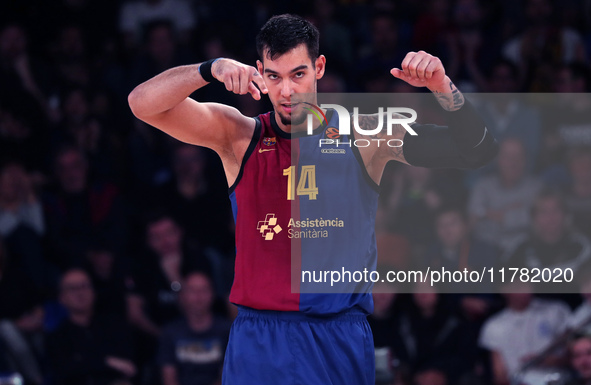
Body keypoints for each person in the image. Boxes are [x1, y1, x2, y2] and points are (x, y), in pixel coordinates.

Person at [128, 14, 498, 385]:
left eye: (298, 74)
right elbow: (142, 103)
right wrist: (210, 69)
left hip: (337, 336)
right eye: (274, 76)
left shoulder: (365, 135)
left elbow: (478, 152)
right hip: (259, 338)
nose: (286, 90)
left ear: (319, 67)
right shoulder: (240, 136)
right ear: (259, 72)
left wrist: (443, 88)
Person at [46, 269, 136, 385]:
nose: (80, 293)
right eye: (73, 288)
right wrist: (106, 362)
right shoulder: (57, 337)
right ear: (62, 298)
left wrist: (87, 362)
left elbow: (128, 365)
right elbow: (65, 371)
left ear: (93, 291)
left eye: (84, 286)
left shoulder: (115, 325)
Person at [157, 271, 231, 385]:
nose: (198, 296)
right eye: (192, 290)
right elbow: (169, 378)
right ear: (183, 295)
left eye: (204, 290)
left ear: (212, 294)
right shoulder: (170, 332)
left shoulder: (227, 330)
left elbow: (227, 376)